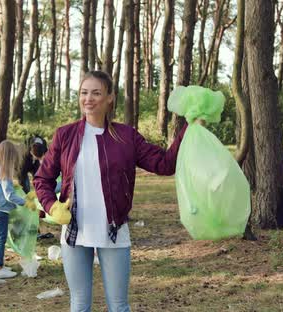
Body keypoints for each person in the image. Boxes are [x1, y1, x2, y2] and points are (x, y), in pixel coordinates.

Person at [33, 71, 188, 312]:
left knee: (118, 306)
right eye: (84, 93)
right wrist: (52, 205)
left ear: (109, 98)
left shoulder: (127, 136)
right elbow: (42, 178)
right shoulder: (65, 135)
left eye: (96, 93)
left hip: (113, 230)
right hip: (74, 231)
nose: (89, 99)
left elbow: (165, 164)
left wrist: (189, 126)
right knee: (79, 304)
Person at [0, 140, 26, 279]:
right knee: (1, 238)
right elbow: (9, 195)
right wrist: (24, 202)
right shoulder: (4, 172)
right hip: (0, 210)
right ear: (10, 157)